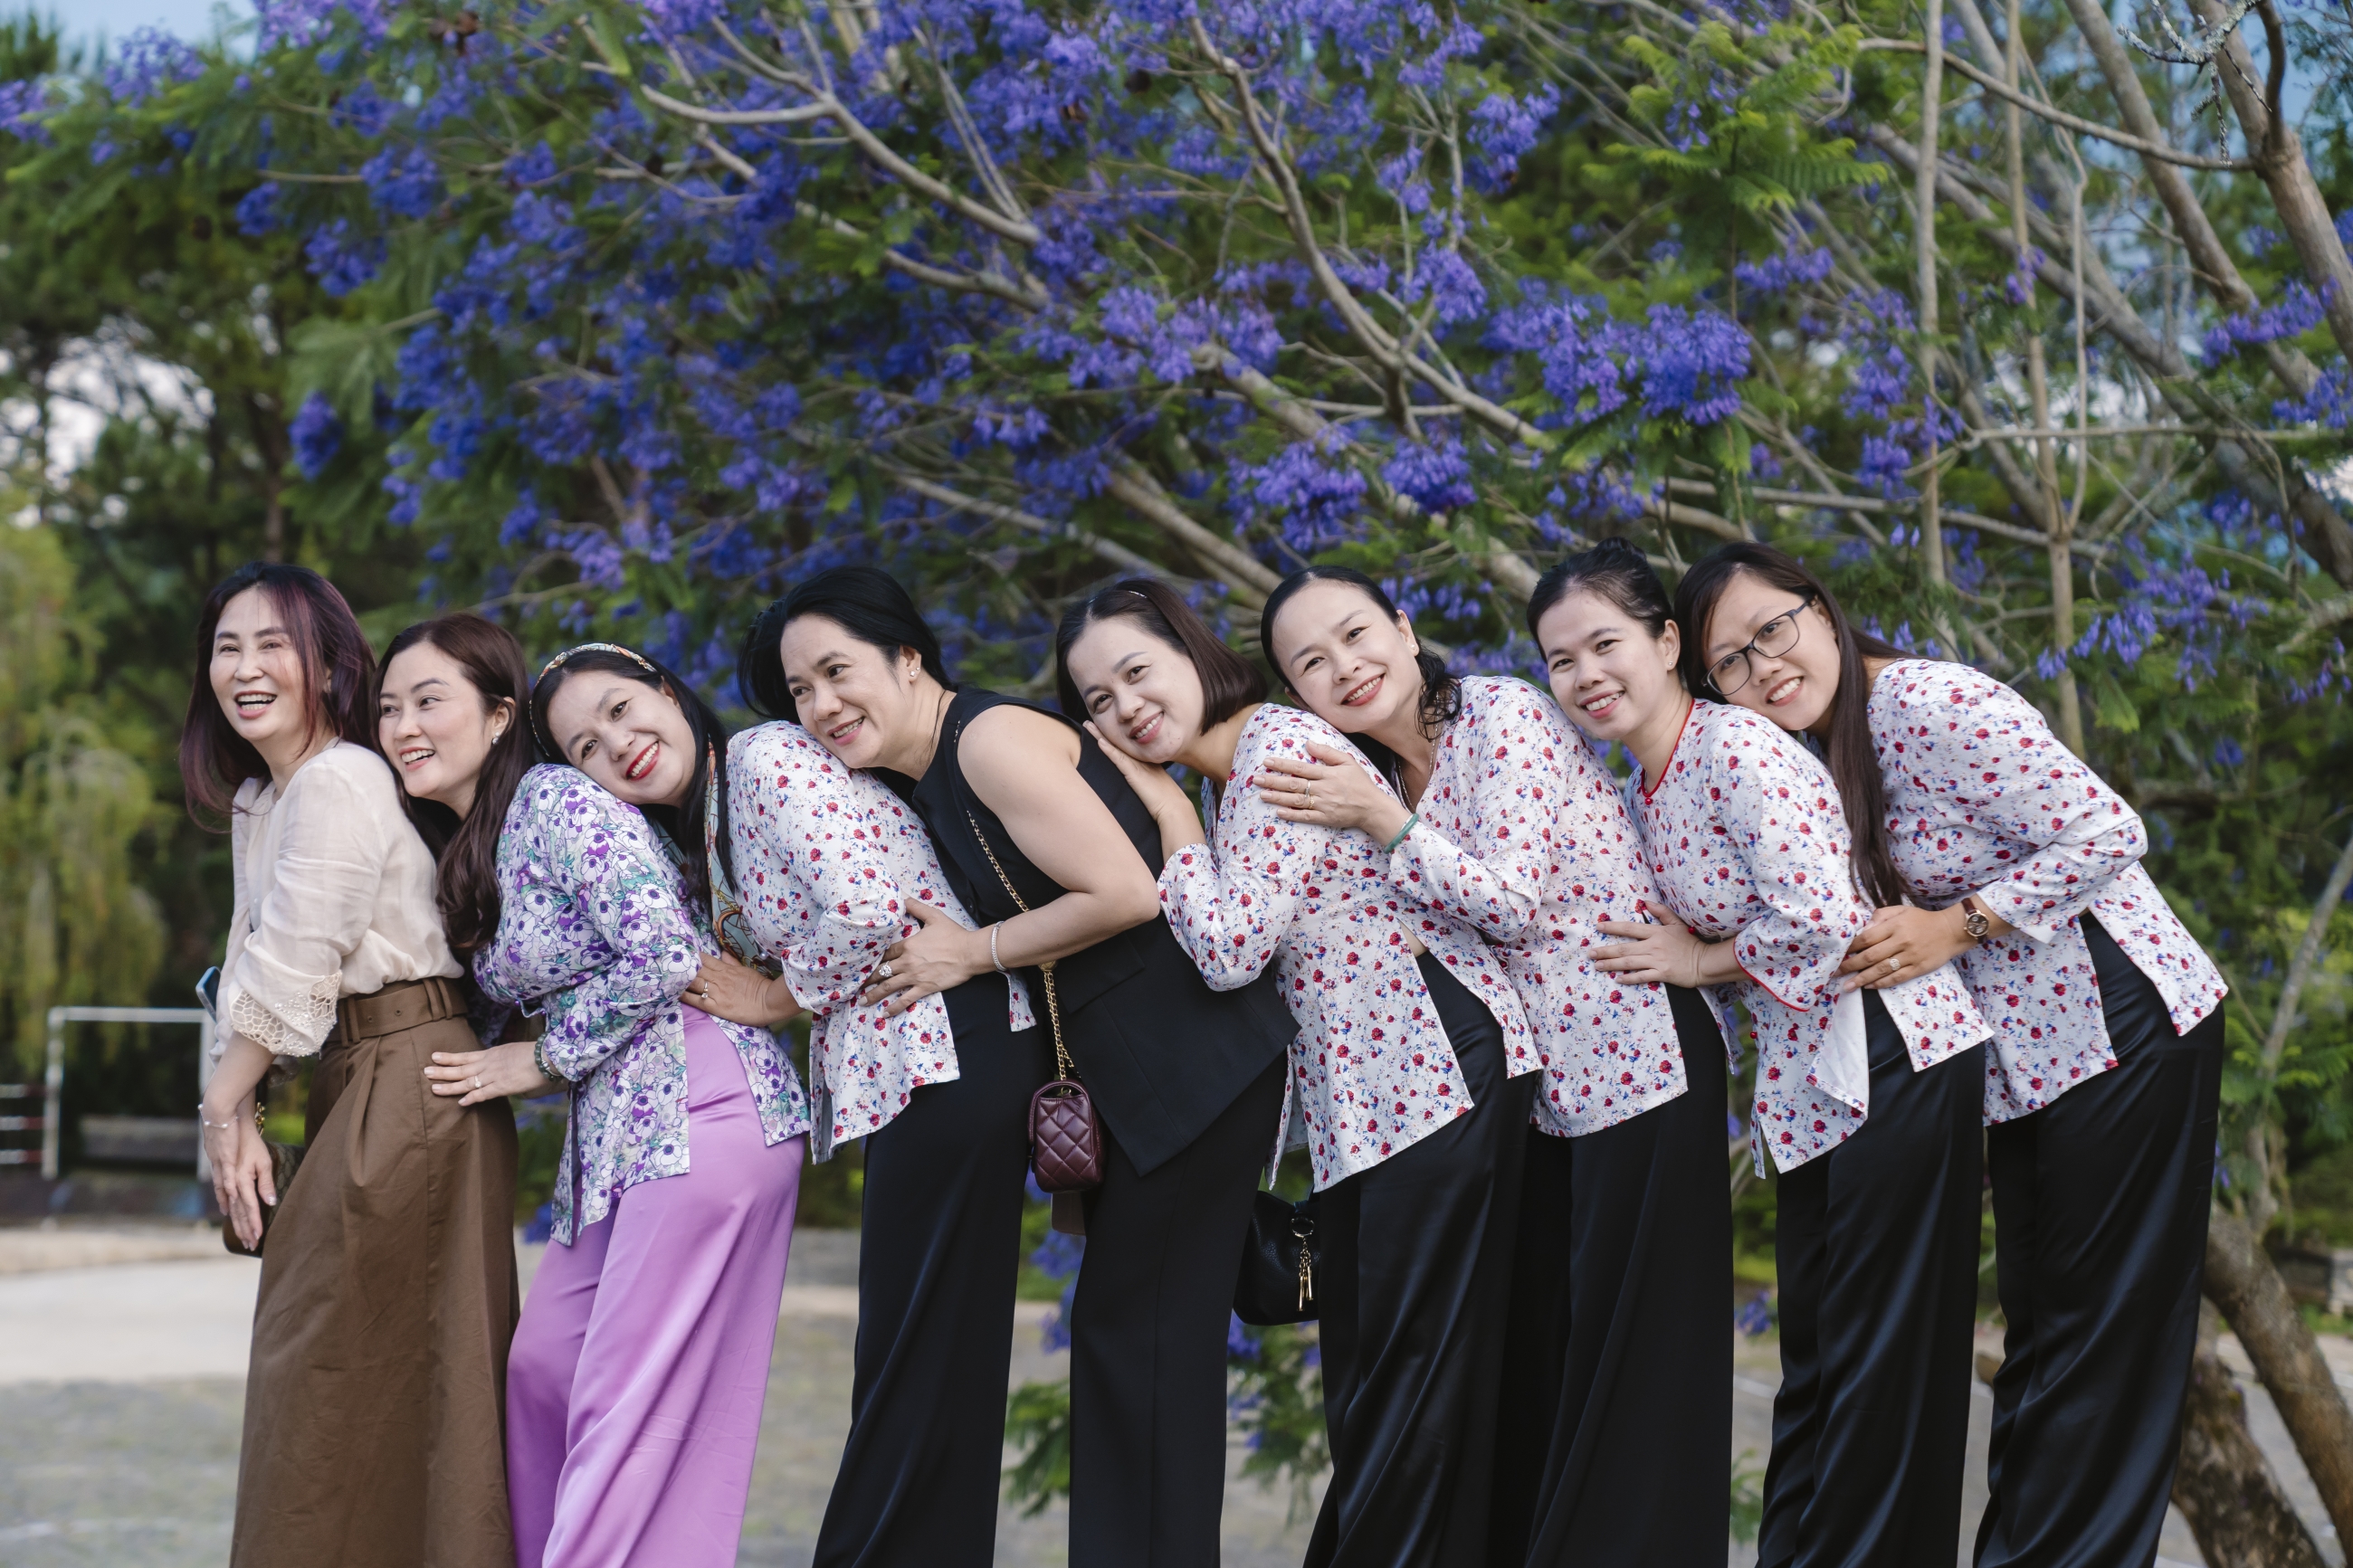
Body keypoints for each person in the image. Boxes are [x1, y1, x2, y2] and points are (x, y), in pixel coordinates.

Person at [1676, 542, 2228, 1568]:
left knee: (2094, 1342)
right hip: (2021, 1065)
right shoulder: (1806, 753)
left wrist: (1955, 923)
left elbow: (2107, 831)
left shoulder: (1925, 704)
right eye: (1730, 664)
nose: (1764, 669)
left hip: (2119, 1025)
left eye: (1771, 630)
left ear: (1818, 608)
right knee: (2042, 1332)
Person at [767, 566, 1294, 1568]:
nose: (821, 704)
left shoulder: (988, 740)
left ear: (907, 657)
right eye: (800, 689)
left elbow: (1123, 893)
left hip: (1191, 1061)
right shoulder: (931, 774)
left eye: (837, 670)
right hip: (1146, 1071)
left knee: (1141, 1353)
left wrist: (971, 952)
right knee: (1131, 1349)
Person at [1244, 563, 1733, 1565]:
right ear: (1295, 693)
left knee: (1635, 1362)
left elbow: (1508, 900)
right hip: (1537, 1094)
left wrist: (1379, 820)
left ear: (1404, 626)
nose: (1344, 667)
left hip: (1639, 1051)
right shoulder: (1376, 780)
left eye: (1355, 634)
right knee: (1546, 1360)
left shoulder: (1498, 715)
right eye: (1311, 662)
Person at [1536, 541, 1993, 1567]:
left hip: (1890, 1048)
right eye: (1560, 660)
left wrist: (1699, 959)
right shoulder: (1643, 787)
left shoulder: (1734, 748)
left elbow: (1823, 917)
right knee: (1817, 1362)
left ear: (1666, 643)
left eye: (1605, 643)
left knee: (1873, 1365)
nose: (1586, 674)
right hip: (1811, 1078)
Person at [1081, 570, 1539, 1568]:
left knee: (1401, 1381)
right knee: (1373, 1380)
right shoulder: (1234, 773)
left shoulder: (1276, 749)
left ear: (1191, 650)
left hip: (1430, 1059)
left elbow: (1230, 947)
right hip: (1369, 1099)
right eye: (1098, 699)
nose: (1126, 707)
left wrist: (1169, 816)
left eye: (1137, 672)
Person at [186, 565, 516, 1568]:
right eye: (228, 647)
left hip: (409, 1075)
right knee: (351, 1381)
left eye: (272, 644)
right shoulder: (269, 797)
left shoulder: (338, 779)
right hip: (365, 1072)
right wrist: (238, 1106)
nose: (246, 668)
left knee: (349, 1373)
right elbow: (253, 967)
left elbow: (297, 960)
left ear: (329, 666)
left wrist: (222, 1107)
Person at [472, 642, 807, 1568]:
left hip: (705, 1105)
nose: (615, 743)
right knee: (545, 1367)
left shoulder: (748, 771)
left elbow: (667, 954)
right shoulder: (648, 824)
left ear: (665, 688)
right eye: (586, 743)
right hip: (621, 1129)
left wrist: (542, 1055)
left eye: (620, 709)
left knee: (625, 1407)